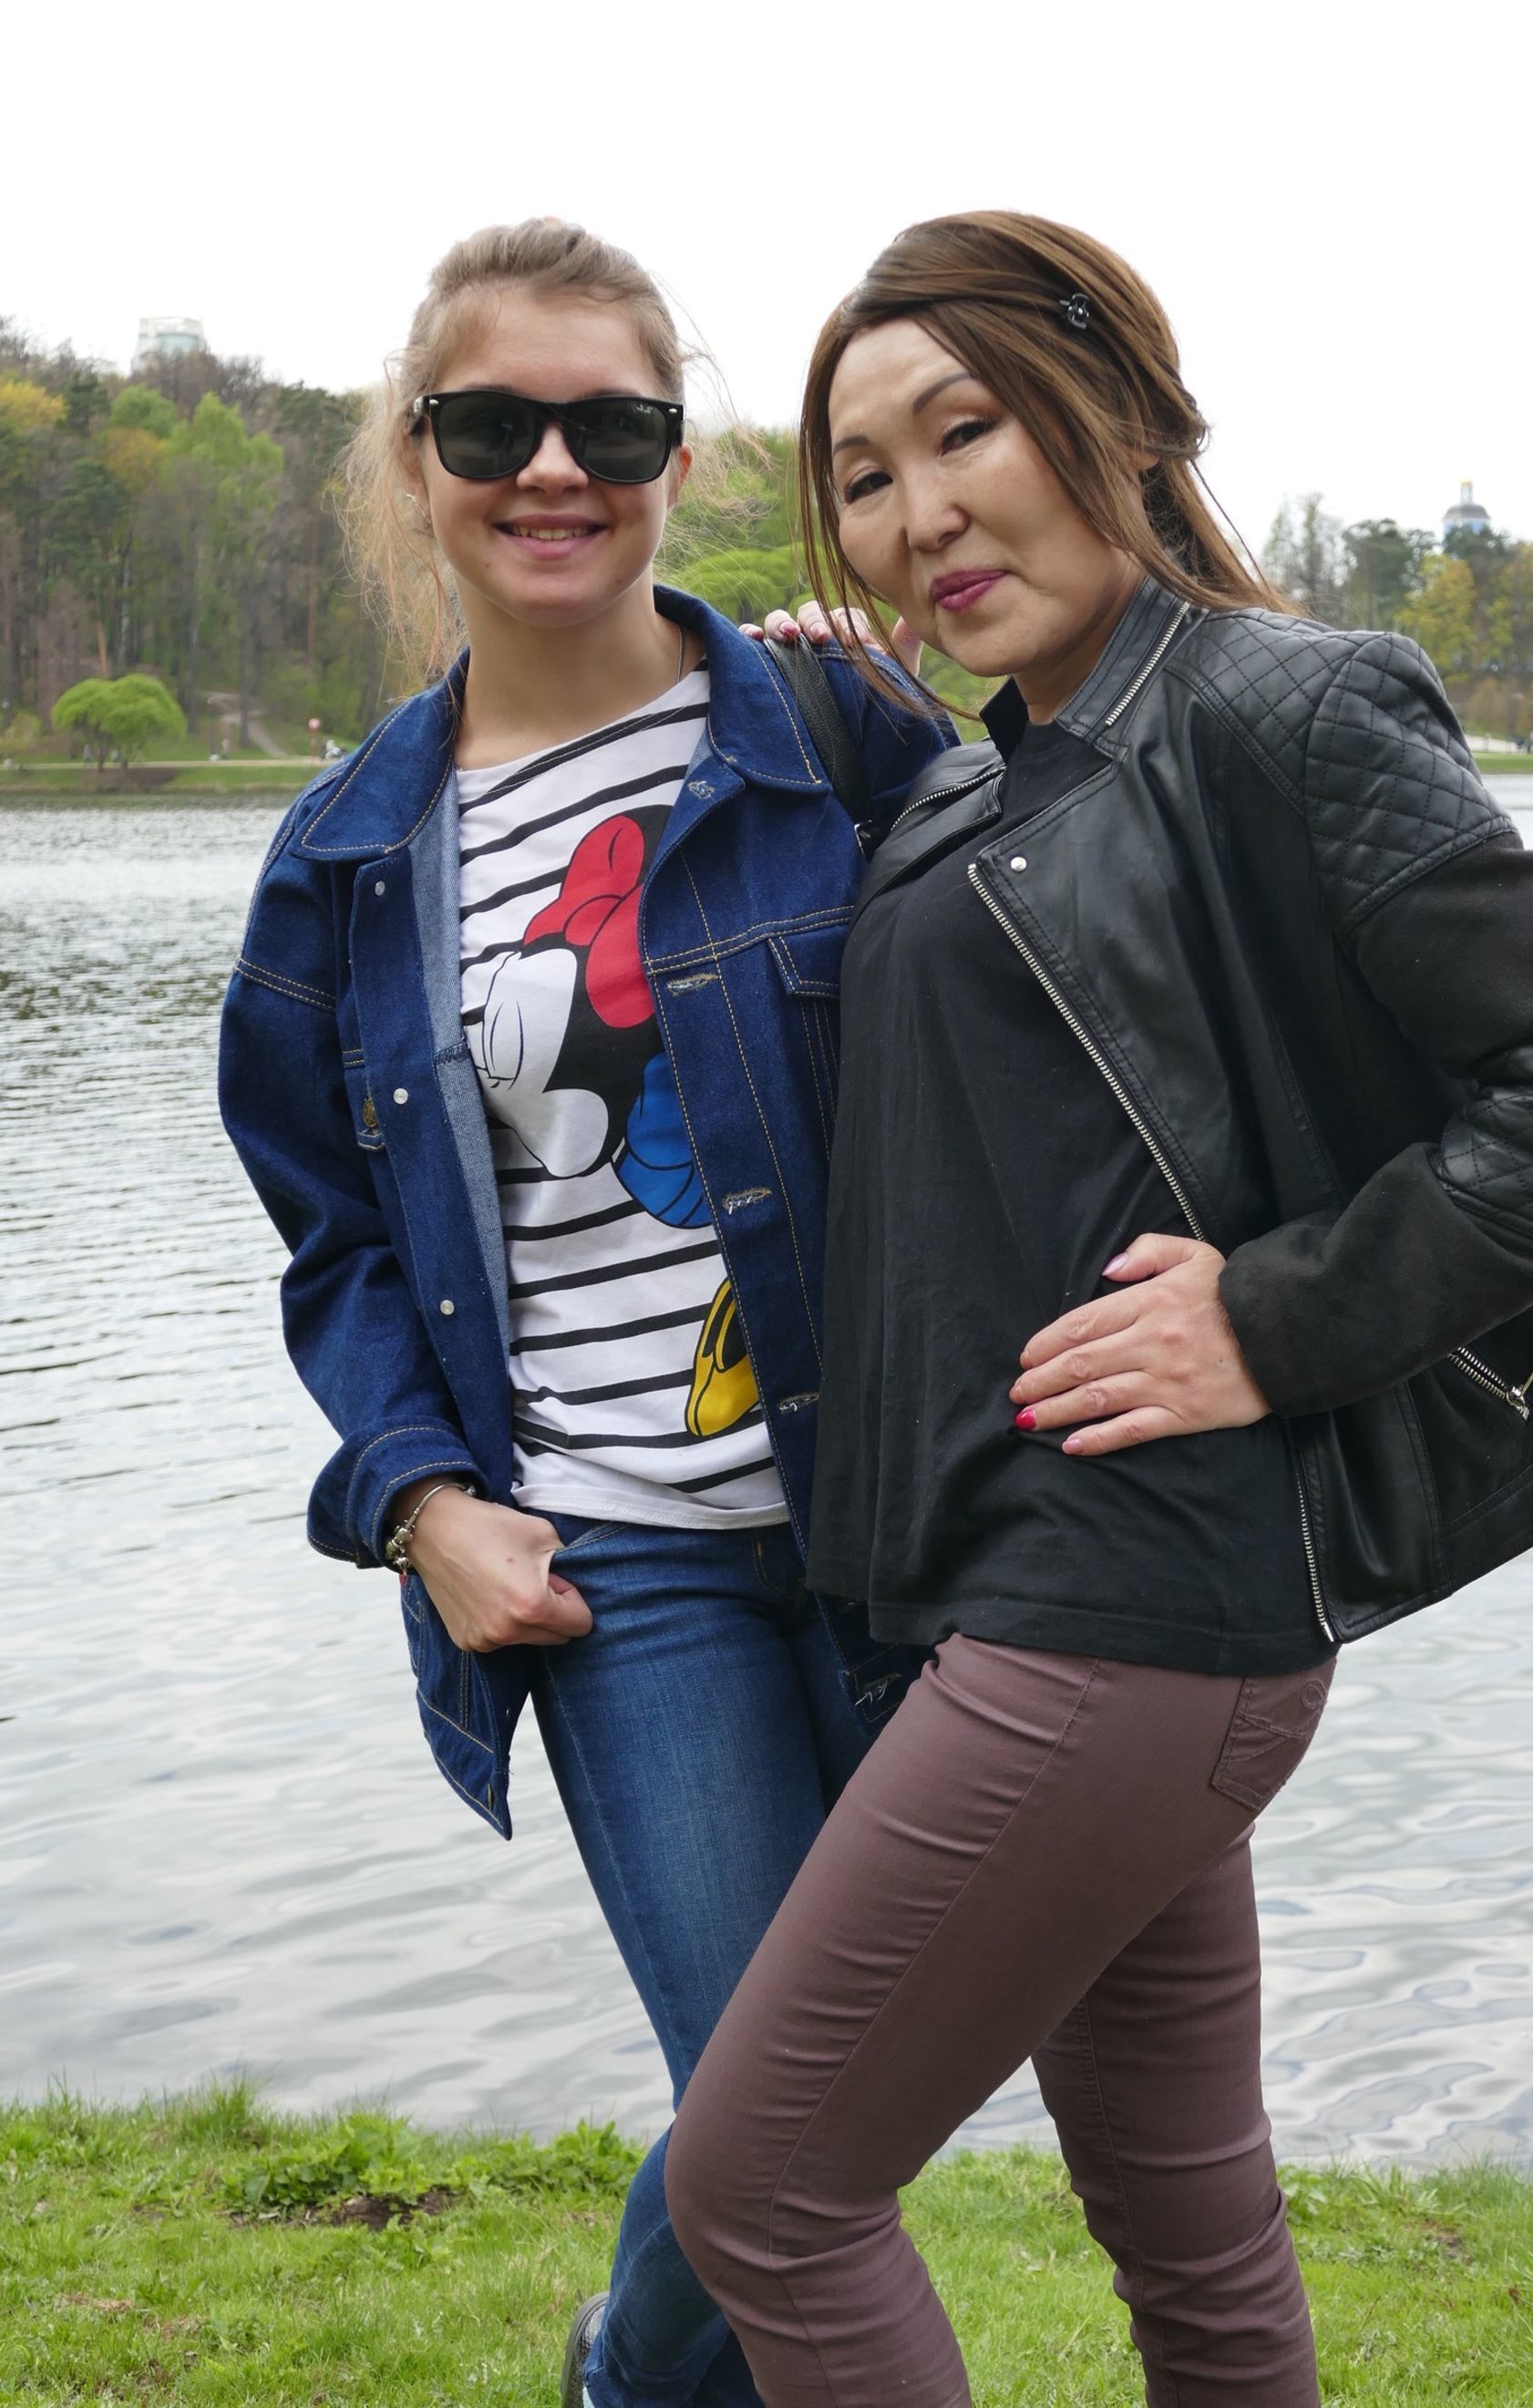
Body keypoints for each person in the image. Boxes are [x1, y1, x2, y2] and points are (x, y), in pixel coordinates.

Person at [662, 210, 1533, 2407]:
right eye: (863, 475)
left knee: (766, 2190)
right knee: (1185, 2222)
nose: (919, 514)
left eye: (964, 431)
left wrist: (1271, 1317)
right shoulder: (982, 770)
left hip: (1127, 1612)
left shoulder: (1282, 705)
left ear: (1116, 415)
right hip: (1045, 1599)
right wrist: (840, 720)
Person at [217, 218, 950, 2408]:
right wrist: (418, 1502)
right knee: (777, 2104)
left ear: (674, 459)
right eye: (491, 426)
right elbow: (336, 1242)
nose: (552, 470)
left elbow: (1038, 1012)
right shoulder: (346, 859)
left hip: (907, 1518)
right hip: (621, 1561)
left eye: (611, 427)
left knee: (841, 2103)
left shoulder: (832, 724)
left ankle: (624, 2366)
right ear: (415, 457)